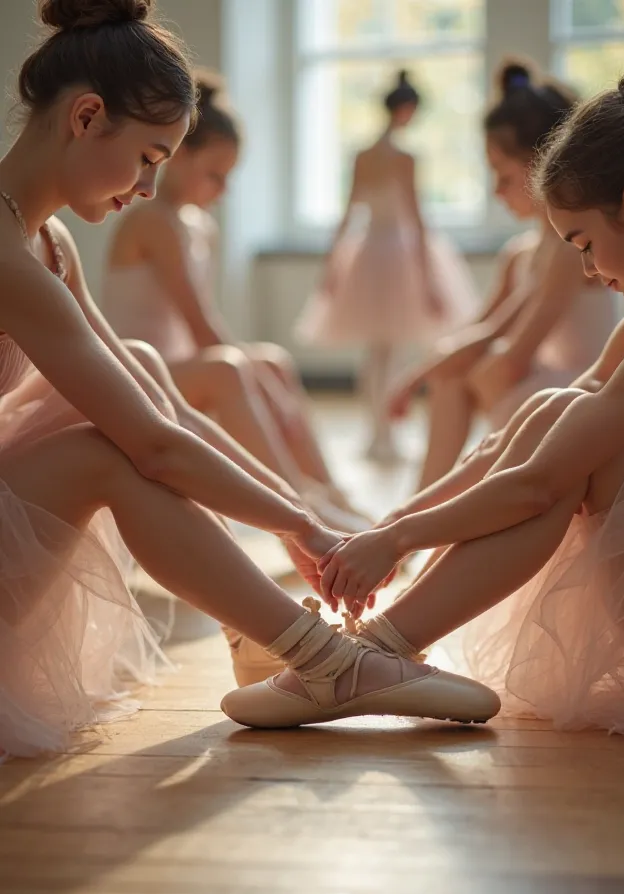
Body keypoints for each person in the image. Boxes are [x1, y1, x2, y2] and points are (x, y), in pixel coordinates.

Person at [0, 0, 499, 757]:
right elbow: (154, 448)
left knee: (136, 365)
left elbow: (160, 409)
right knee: (104, 454)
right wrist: (299, 526)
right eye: (149, 156)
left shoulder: (49, 242)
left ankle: (286, 641)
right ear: (87, 116)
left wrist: (293, 513)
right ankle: (331, 665)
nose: (145, 185)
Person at [306, 69, 624, 741]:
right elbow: (512, 440)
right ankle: (378, 648)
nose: (590, 272)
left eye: (585, 245)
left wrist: (395, 540)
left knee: (583, 446)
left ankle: (369, 656)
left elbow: (541, 481)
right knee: (551, 409)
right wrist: (397, 520)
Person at [104, 68, 366, 533]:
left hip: (173, 367)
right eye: (215, 175)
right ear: (178, 157)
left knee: (273, 360)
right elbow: (203, 327)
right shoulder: (154, 222)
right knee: (231, 369)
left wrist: (262, 373)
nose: (222, 191)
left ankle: (327, 491)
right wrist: (253, 378)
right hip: (138, 375)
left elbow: (204, 328)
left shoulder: (198, 224)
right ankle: (296, 505)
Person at [389, 60, 616, 493]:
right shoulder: (520, 255)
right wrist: (418, 375)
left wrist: (426, 378)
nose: (495, 191)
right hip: (543, 380)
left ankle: (427, 513)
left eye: (504, 176)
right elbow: (484, 327)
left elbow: (514, 353)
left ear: (543, 168)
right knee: (456, 373)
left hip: (582, 391)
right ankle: (419, 510)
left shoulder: (571, 250)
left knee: (477, 373)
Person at [294, 69, 477, 464]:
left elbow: (347, 217)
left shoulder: (362, 156)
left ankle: (377, 434)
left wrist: (332, 266)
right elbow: (417, 220)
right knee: (390, 352)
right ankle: (385, 436)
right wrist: (429, 279)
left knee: (376, 353)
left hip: (368, 252)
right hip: (400, 255)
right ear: (407, 109)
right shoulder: (405, 158)